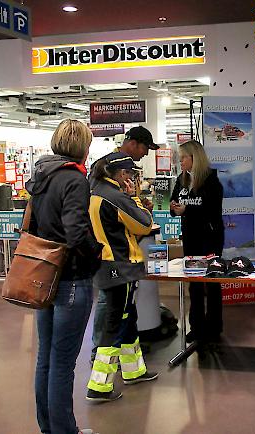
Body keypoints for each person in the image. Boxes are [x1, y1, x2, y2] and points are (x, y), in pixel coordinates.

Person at [27, 119, 102, 434]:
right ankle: (65, 431)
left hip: (45, 275)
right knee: (62, 363)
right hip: (71, 278)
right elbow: (75, 231)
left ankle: (49, 427)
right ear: (83, 147)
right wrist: (94, 251)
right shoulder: (73, 179)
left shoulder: (41, 176)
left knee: (46, 357)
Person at [86, 152, 159, 402]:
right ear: (120, 174)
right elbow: (145, 224)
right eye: (130, 173)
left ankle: (133, 370)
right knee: (115, 324)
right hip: (122, 268)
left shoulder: (93, 191)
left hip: (105, 266)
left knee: (128, 320)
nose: (133, 177)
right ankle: (100, 386)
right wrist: (135, 198)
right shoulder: (116, 197)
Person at [170, 139, 225, 343]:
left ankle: (214, 326)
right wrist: (175, 208)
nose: (181, 161)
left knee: (211, 282)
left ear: (195, 158)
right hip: (190, 238)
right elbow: (174, 205)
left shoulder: (211, 181)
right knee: (193, 282)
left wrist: (188, 209)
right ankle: (196, 326)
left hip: (210, 239)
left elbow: (212, 210)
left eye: (184, 157)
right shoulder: (181, 180)